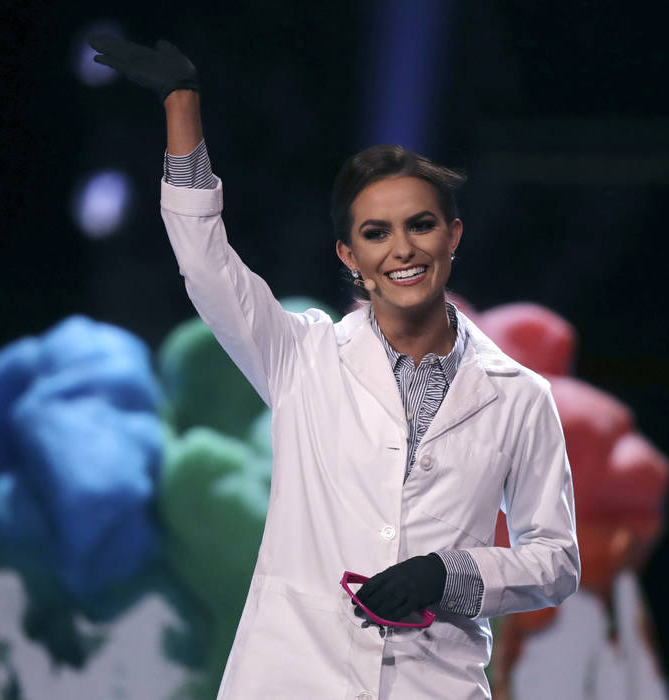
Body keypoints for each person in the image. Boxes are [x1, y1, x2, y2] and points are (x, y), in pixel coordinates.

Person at [89, 35, 580, 699]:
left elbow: (554, 561)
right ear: (349, 255)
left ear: (452, 236)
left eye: (421, 225)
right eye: (376, 233)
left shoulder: (517, 395)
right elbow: (207, 265)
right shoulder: (304, 358)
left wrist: (449, 574)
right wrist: (182, 107)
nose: (402, 248)